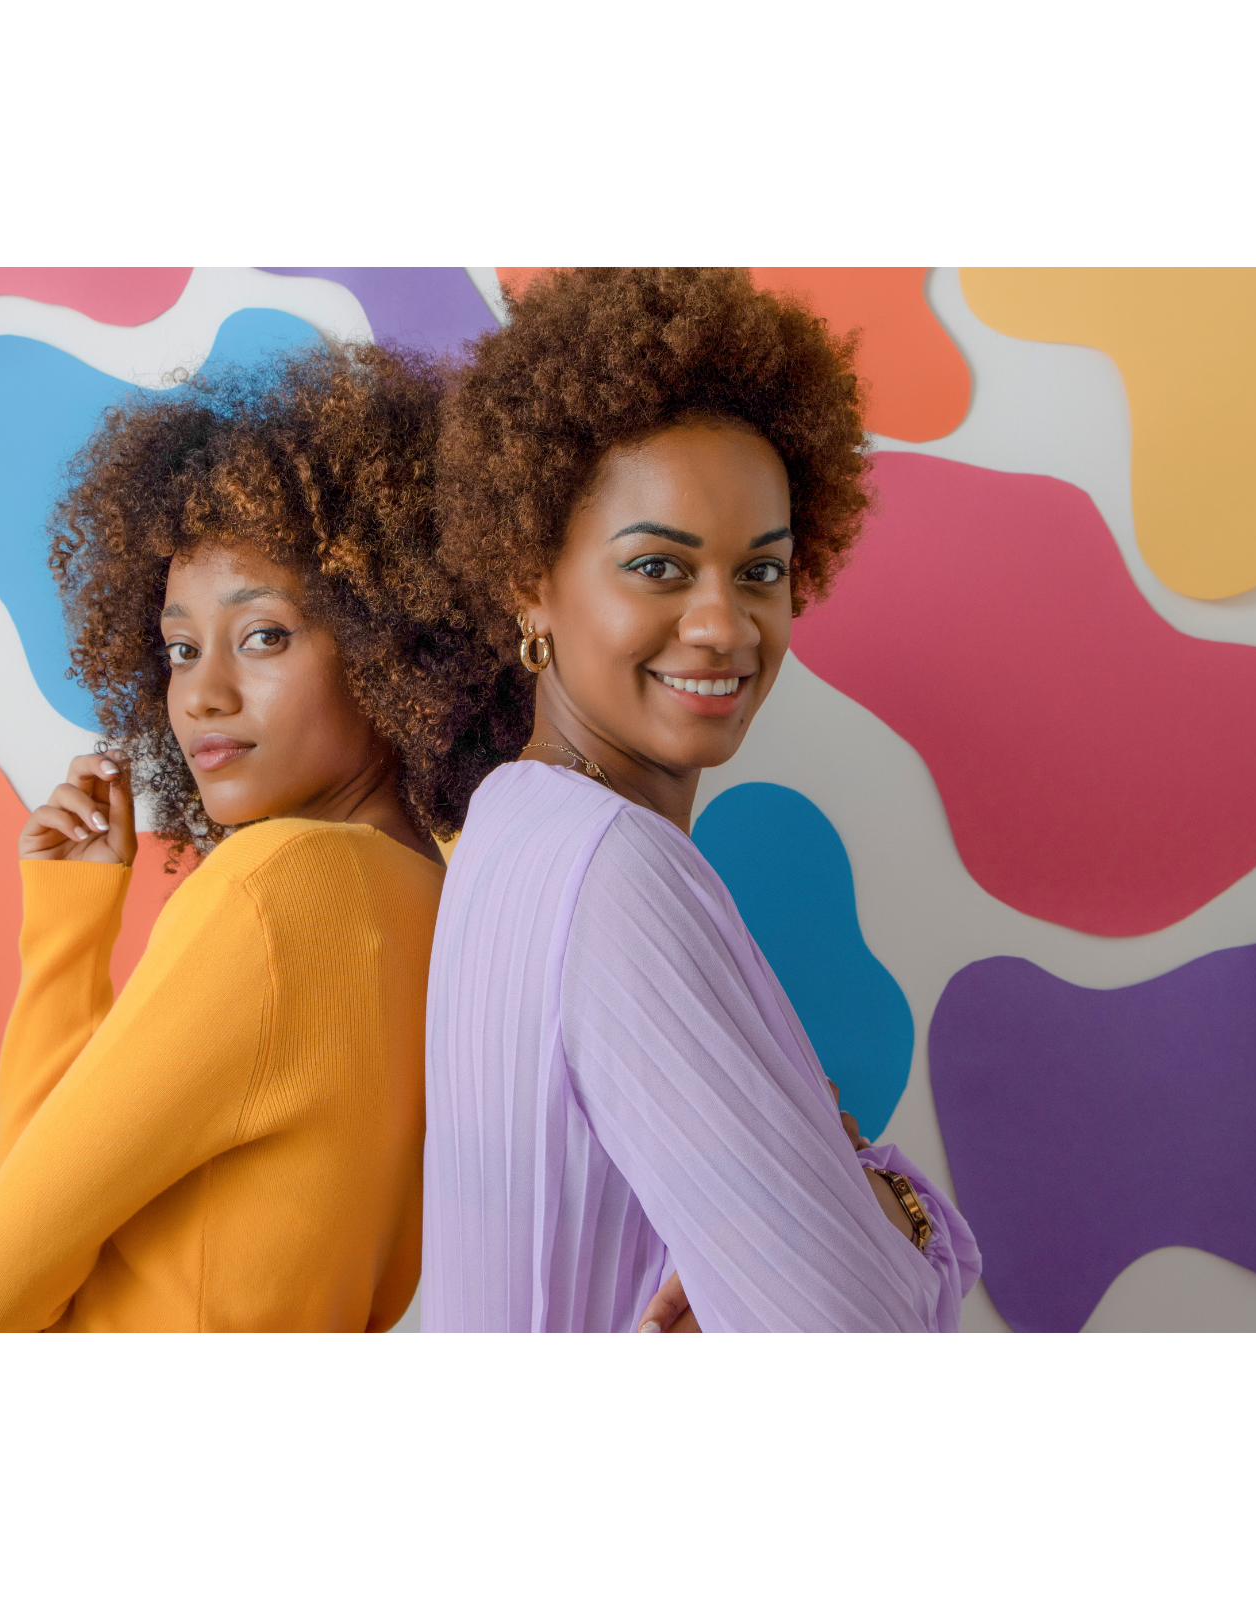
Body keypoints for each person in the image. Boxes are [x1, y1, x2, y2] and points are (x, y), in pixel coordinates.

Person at [423, 270, 982, 1589]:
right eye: (658, 567)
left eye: (764, 572)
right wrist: (902, 1220)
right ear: (530, 581)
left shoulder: (510, 832)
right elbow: (873, 1393)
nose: (726, 625)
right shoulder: (620, 872)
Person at [0, 343, 520, 1593]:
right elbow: (58, 1198)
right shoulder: (452, 911)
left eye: (261, 635)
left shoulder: (275, 891)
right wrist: (71, 927)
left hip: (114, 1511)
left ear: (387, 639)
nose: (201, 694)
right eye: (177, 643)